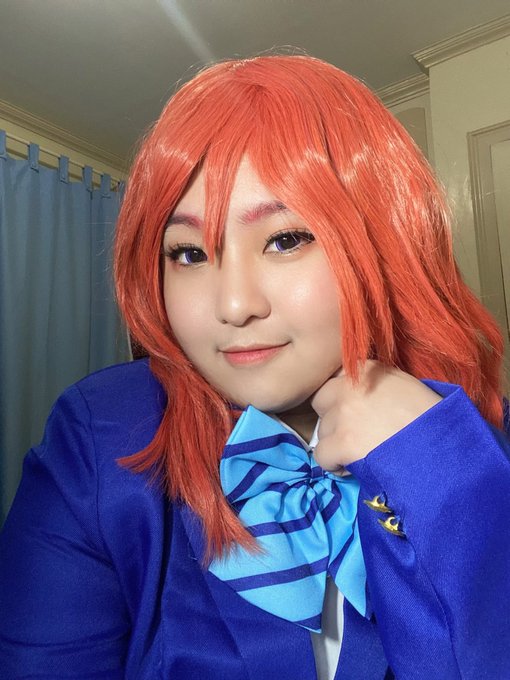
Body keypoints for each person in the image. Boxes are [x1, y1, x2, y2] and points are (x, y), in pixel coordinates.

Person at [1, 54, 509, 680]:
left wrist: (437, 474)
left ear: (384, 243)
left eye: (285, 239)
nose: (234, 305)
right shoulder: (100, 436)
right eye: (189, 253)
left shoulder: (483, 444)